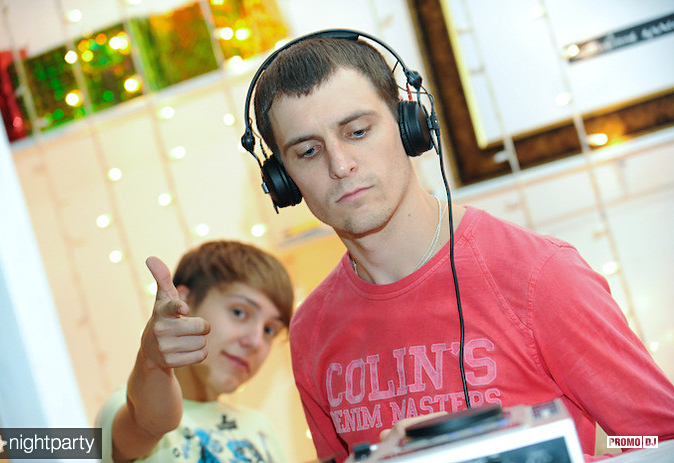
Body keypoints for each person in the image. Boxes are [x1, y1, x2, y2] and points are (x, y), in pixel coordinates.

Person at [248, 32, 674, 462]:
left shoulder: (540, 275)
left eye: (358, 131)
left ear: (409, 125)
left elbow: (658, 440)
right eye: (308, 151)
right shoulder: (310, 331)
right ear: (283, 181)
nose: (340, 165)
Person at [95, 240, 294, 462]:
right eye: (239, 312)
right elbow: (147, 422)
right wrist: (153, 362)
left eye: (269, 330)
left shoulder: (259, 427)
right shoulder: (120, 406)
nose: (256, 342)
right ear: (185, 301)